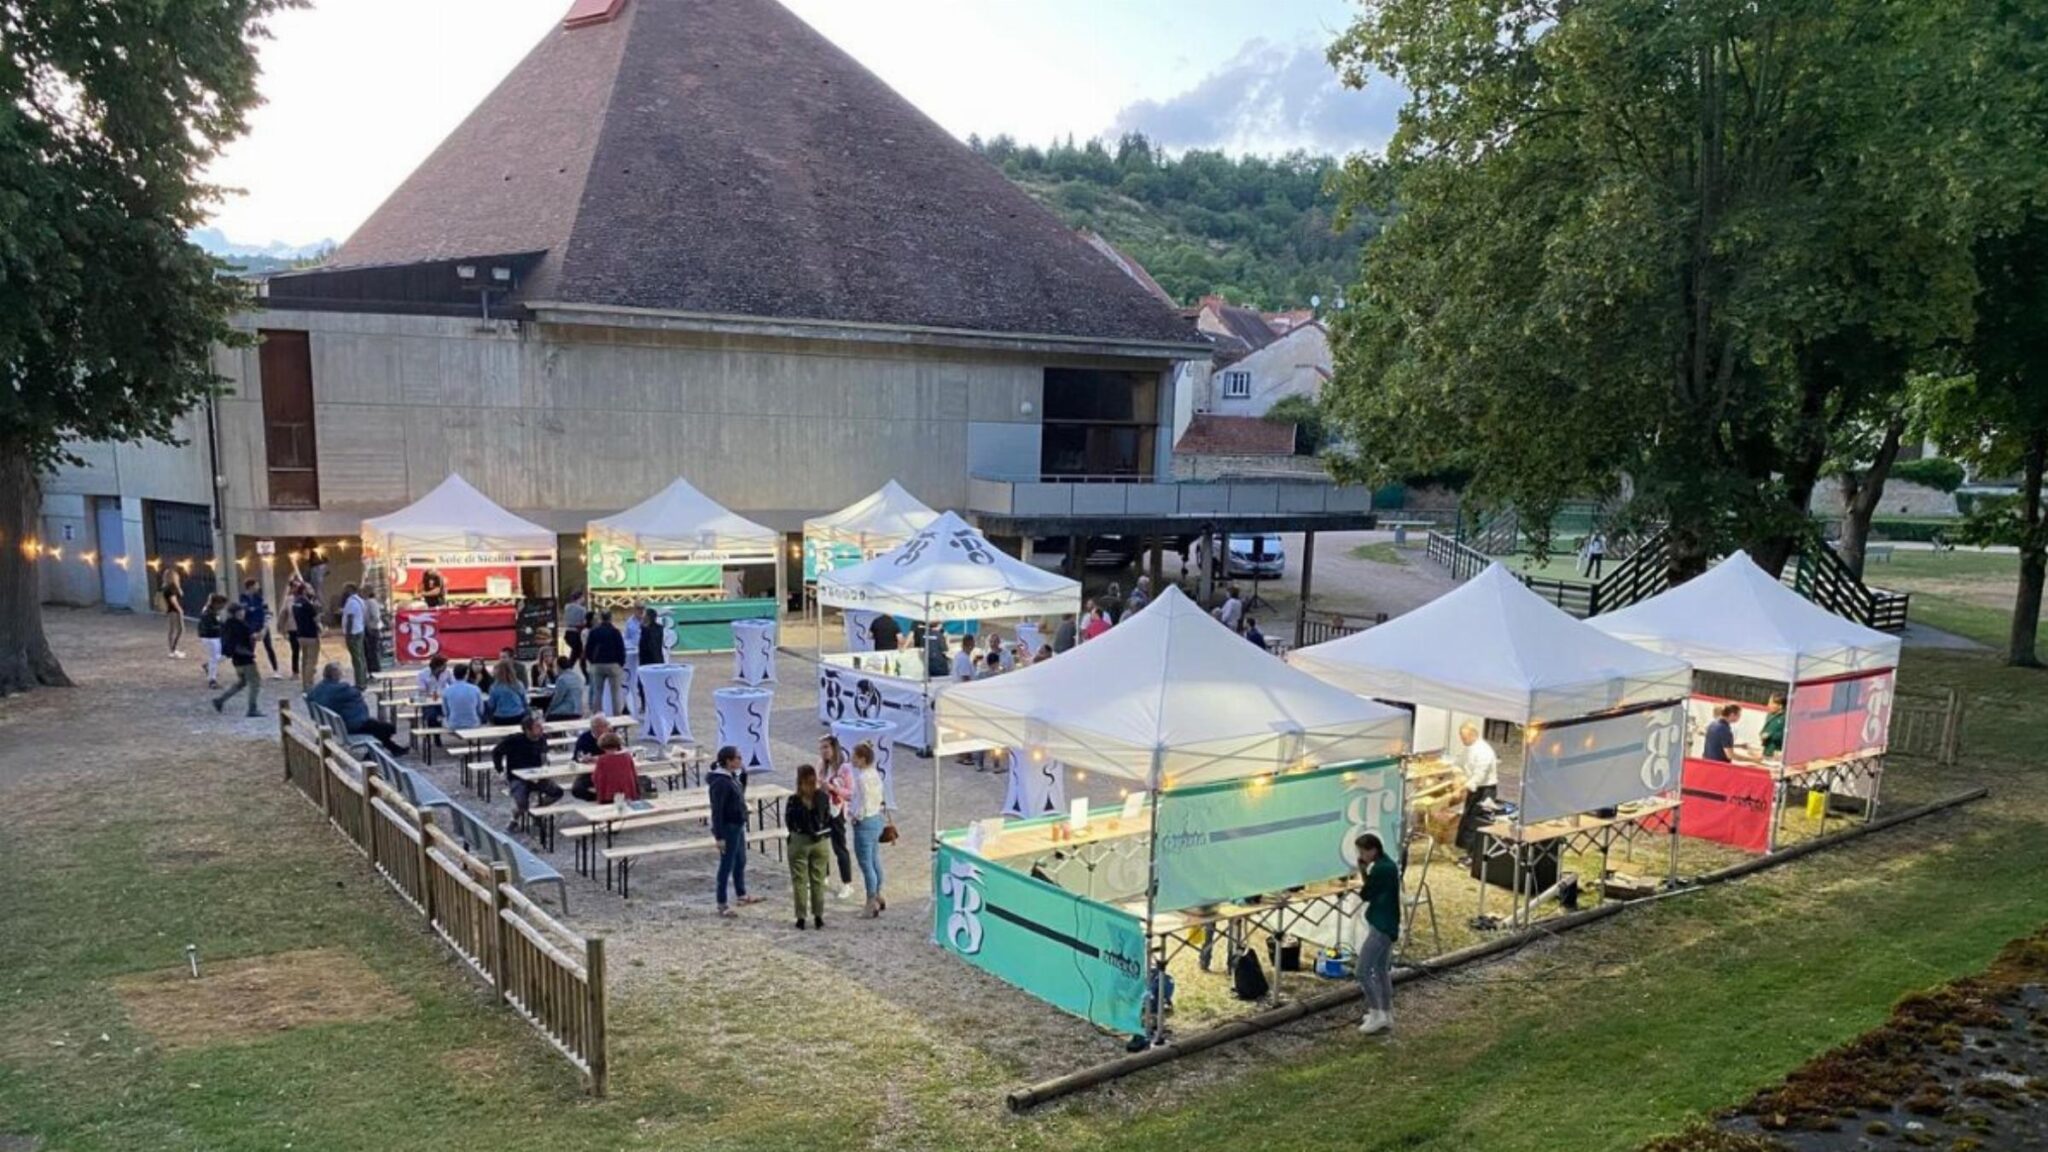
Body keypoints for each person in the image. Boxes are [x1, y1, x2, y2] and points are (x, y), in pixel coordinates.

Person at [306, 662, 409, 755]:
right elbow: (356, 693)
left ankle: (394, 749)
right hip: (351, 726)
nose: (342, 674)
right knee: (388, 728)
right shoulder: (342, 689)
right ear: (335, 675)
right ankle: (373, 755)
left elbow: (310, 697)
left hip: (336, 724)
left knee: (377, 727)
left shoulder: (319, 688)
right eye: (340, 672)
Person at [1354, 831, 1400, 1035]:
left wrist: (1363, 872)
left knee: (1362, 971)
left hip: (1381, 925)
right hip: (1388, 923)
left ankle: (1377, 1013)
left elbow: (1366, 893)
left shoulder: (1381, 870)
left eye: (1363, 851)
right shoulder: (1388, 865)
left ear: (1373, 850)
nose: (1361, 855)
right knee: (1381, 970)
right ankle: (1386, 1012)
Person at [708, 746, 762, 916]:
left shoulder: (731, 777)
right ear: (728, 761)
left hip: (737, 825)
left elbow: (739, 795)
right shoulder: (721, 782)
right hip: (728, 827)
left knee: (740, 860)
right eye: (738, 758)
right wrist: (719, 836)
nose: (741, 760)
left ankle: (741, 894)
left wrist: (743, 777)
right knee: (726, 864)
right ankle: (721, 903)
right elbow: (717, 811)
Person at [492, 712, 561, 832]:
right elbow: (496, 752)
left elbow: (544, 756)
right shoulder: (514, 740)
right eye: (537, 727)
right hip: (517, 777)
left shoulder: (542, 739)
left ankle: (536, 811)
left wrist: (544, 768)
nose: (541, 729)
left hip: (537, 776)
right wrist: (500, 771)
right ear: (527, 730)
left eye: (541, 726)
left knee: (557, 792)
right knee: (522, 803)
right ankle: (514, 819)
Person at [786, 763, 834, 930]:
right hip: (820, 841)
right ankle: (818, 916)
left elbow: (789, 822)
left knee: (799, 880)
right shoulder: (822, 797)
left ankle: (801, 917)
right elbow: (828, 817)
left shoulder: (794, 800)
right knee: (818, 879)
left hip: (800, 840)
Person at [849, 741, 892, 918]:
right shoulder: (875, 774)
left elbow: (863, 803)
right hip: (877, 820)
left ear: (862, 759)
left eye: (855, 757)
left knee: (866, 864)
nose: (852, 759)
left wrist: (855, 817)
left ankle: (870, 901)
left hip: (865, 821)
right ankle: (878, 893)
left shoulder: (862, 778)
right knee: (875, 860)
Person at [818, 734, 856, 900]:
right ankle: (823, 875)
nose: (824, 751)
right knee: (820, 844)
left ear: (834, 748)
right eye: (821, 748)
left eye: (826, 747)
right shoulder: (821, 765)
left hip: (837, 810)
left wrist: (833, 788)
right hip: (822, 809)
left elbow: (850, 793)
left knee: (839, 846)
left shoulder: (845, 768)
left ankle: (846, 883)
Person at [1454, 722, 1500, 859]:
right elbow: (1459, 763)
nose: (1462, 740)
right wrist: (1455, 772)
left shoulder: (1484, 751)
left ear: (1473, 735)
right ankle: (1465, 850)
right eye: (1461, 737)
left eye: (1464, 737)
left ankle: (1473, 856)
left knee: (1476, 822)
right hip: (1474, 790)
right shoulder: (1469, 748)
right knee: (1467, 819)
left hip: (1485, 790)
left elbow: (1479, 776)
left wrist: (1462, 788)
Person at [211, 604, 263, 717]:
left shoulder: (227, 625)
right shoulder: (241, 625)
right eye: (242, 611)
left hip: (236, 660)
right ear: (238, 613)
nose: (244, 612)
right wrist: (266, 624)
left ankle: (220, 700)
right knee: (255, 683)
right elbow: (257, 637)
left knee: (241, 683)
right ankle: (252, 708)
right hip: (246, 659)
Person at [582, 731, 653, 804]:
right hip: (627, 791)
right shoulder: (627, 756)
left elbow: (597, 777)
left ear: (602, 746)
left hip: (609, 793)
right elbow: (634, 773)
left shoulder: (602, 760)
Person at [583, 610, 627, 715]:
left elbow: (588, 649)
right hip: (613, 664)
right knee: (615, 693)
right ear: (611, 618)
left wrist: (592, 661)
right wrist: (621, 663)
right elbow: (621, 649)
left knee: (598, 692)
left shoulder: (594, 632)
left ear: (601, 618)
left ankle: (597, 715)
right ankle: (617, 717)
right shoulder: (616, 632)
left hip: (598, 664)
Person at [239, 578, 281, 679]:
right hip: (251, 627)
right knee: (250, 650)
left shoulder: (259, 598)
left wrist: (265, 627)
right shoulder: (243, 598)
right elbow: (244, 612)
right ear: (251, 587)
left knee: (269, 648)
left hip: (262, 625)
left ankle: (276, 671)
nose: (258, 587)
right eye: (256, 585)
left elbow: (266, 611)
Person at [292, 585, 323, 693]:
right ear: (304, 591)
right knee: (311, 661)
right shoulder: (308, 604)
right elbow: (316, 619)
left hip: (300, 634)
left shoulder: (295, 603)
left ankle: (305, 684)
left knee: (305, 660)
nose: (312, 590)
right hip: (311, 635)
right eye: (310, 589)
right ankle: (309, 684)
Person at [440, 663, 486, 732]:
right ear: (466, 674)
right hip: (473, 723)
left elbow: (445, 712)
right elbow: (480, 710)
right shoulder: (475, 689)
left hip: (454, 724)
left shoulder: (447, 691)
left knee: (442, 719)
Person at [339, 583, 368, 686]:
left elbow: (350, 619)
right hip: (359, 630)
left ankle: (360, 682)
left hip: (353, 633)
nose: (343, 592)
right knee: (361, 657)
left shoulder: (351, 602)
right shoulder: (360, 601)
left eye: (345, 590)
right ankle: (363, 679)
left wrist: (348, 634)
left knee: (357, 659)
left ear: (350, 590)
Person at [196, 594, 227, 689]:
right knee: (214, 658)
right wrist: (222, 628)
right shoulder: (208, 613)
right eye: (222, 604)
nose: (223, 607)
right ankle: (212, 680)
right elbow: (210, 627)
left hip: (214, 637)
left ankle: (209, 667)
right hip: (210, 638)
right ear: (216, 603)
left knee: (222, 655)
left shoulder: (212, 611)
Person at [486, 660, 529, 727]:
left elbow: (491, 705)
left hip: (501, 717)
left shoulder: (495, 687)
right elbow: (525, 702)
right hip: (518, 715)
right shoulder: (519, 684)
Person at [415, 655, 453, 728]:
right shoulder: (422, 674)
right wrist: (432, 696)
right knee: (432, 716)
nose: (446, 666)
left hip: (443, 699)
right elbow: (422, 690)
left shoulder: (448, 672)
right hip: (428, 700)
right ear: (437, 666)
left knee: (449, 712)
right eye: (444, 665)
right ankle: (435, 736)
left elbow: (453, 685)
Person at [545, 655, 586, 720]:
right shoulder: (578, 677)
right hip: (578, 710)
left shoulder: (562, 679)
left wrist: (548, 711)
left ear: (558, 667)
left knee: (549, 717)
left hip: (567, 710)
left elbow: (557, 699)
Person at [160, 566, 187, 658]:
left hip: (170, 610)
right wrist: (180, 609)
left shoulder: (166, 587)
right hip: (175, 610)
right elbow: (173, 600)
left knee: (172, 630)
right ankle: (174, 649)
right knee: (180, 630)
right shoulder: (172, 587)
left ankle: (172, 649)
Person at [561, 589, 589, 669]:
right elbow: (583, 622)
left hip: (568, 632)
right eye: (583, 597)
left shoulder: (567, 607)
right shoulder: (582, 609)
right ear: (580, 598)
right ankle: (573, 669)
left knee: (575, 653)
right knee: (579, 654)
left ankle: (569, 667)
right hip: (577, 633)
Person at [362, 589, 386, 676]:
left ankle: (375, 669)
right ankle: (371, 669)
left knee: (373, 650)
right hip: (370, 628)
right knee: (370, 651)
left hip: (372, 628)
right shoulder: (367, 602)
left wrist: (370, 626)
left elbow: (375, 616)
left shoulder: (371, 602)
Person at [1757, 694, 1786, 760]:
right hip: (1766, 749)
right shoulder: (1770, 715)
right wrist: (1761, 733)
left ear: (1780, 706)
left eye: (1771, 703)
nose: (1768, 705)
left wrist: (1770, 735)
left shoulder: (1785, 718)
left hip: (1777, 752)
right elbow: (1766, 727)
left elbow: (1786, 735)